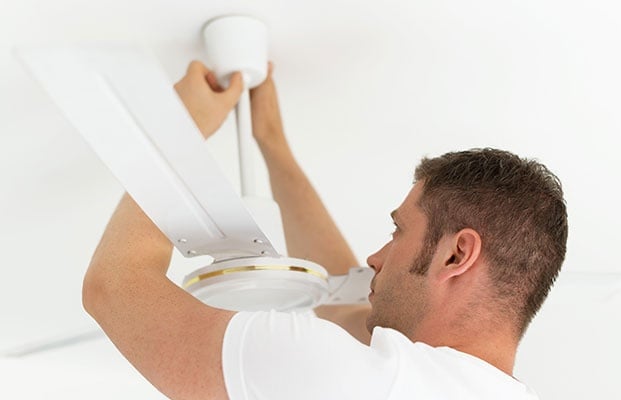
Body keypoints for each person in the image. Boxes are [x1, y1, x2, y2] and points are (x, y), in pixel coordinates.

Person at [82, 60, 568, 400]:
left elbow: (113, 287)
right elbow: (350, 306)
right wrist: (271, 144)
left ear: (457, 255)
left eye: (398, 232)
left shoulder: (352, 379)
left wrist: (178, 128)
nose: (375, 258)